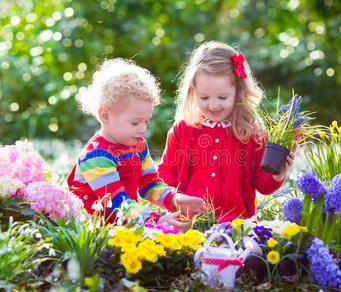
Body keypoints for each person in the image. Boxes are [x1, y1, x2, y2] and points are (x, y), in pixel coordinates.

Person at [158, 41, 297, 223]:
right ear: (193, 91)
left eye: (222, 97)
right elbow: (166, 174)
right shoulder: (184, 128)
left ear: (238, 91)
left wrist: (277, 175)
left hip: (236, 225)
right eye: (204, 97)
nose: (213, 105)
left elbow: (262, 183)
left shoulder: (250, 131)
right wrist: (175, 201)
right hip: (189, 224)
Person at [67, 58, 206, 228]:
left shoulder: (138, 145)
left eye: (146, 122)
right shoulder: (95, 157)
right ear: (105, 116)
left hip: (128, 226)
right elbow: (118, 203)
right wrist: (157, 220)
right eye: (135, 123)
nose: (142, 130)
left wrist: (176, 200)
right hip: (95, 234)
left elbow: (149, 185)